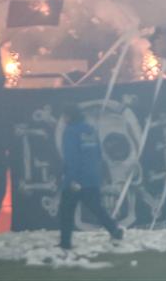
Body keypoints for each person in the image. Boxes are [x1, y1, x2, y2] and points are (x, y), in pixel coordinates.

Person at [58, 104, 123, 250]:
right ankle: (114, 229)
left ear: (69, 116)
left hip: (76, 179)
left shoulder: (70, 131)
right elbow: (98, 154)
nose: (63, 119)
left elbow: (72, 158)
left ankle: (65, 242)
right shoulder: (90, 130)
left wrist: (72, 179)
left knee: (66, 211)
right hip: (92, 177)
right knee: (96, 207)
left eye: (65, 116)